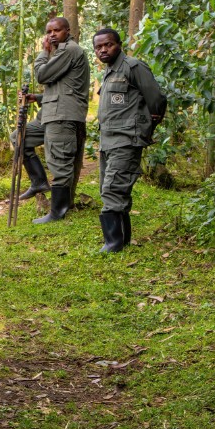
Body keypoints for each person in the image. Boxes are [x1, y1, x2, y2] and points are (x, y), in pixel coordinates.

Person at [92, 26, 167, 253]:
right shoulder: (109, 71)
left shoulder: (133, 67)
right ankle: (121, 239)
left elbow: (156, 100)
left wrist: (146, 126)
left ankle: (113, 243)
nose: (103, 50)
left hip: (126, 140)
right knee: (111, 188)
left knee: (113, 188)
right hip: (108, 141)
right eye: (98, 47)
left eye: (108, 44)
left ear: (119, 45)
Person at [28, 16, 90, 223]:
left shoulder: (69, 50)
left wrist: (43, 52)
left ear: (68, 31)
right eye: (48, 32)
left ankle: (58, 212)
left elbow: (42, 75)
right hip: (51, 113)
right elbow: (63, 88)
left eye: (56, 30)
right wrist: (37, 98)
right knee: (20, 137)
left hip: (62, 116)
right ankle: (38, 182)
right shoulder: (61, 51)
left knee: (59, 162)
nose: (52, 35)